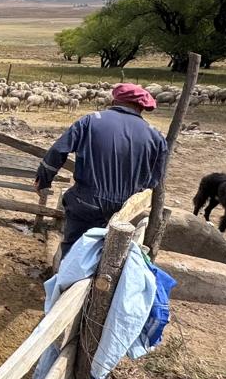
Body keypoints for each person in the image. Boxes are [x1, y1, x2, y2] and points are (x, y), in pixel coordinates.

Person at [34, 83, 169, 260]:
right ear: (142, 107)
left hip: (86, 202)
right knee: (112, 255)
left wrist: (43, 181)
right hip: (125, 209)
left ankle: (65, 280)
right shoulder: (156, 137)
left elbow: (58, 151)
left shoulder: (90, 121)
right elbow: (154, 179)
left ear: (114, 100)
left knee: (74, 249)